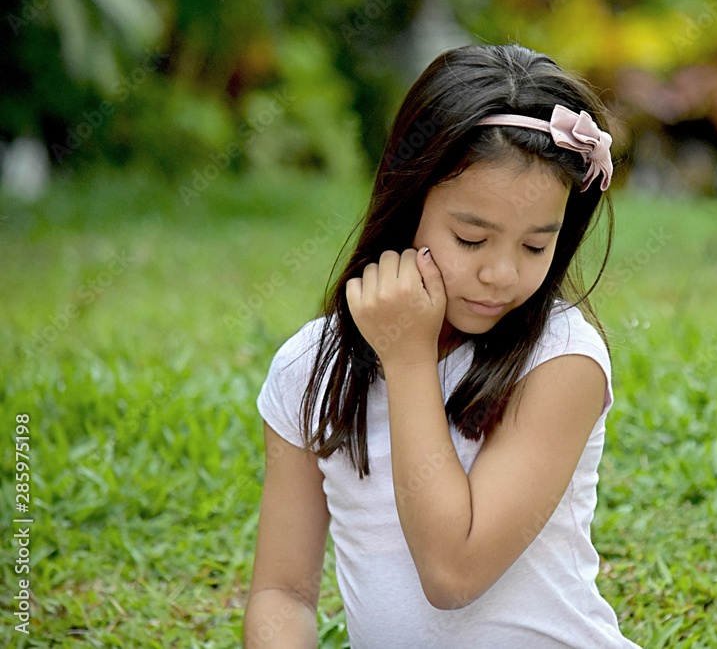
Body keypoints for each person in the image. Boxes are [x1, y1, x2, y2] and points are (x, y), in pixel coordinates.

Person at [244, 43, 641, 648]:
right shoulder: (310, 367)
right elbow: (283, 592)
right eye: (471, 239)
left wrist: (408, 360)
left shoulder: (562, 358)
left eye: (536, 246)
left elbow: (453, 572)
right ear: (408, 204)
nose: (501, 274)